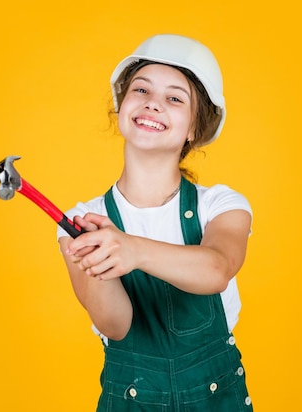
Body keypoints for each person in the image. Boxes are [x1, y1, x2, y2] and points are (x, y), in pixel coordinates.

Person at [57, 34, 253, 411]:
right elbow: (115, 325)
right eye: (141, 89)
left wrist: (130, 249)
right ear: (121, 108)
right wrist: (98, 260)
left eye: (175, 98)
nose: (152, 103)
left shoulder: (222, 205)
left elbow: (216, 269)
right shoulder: (81, 222)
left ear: (194, 128)